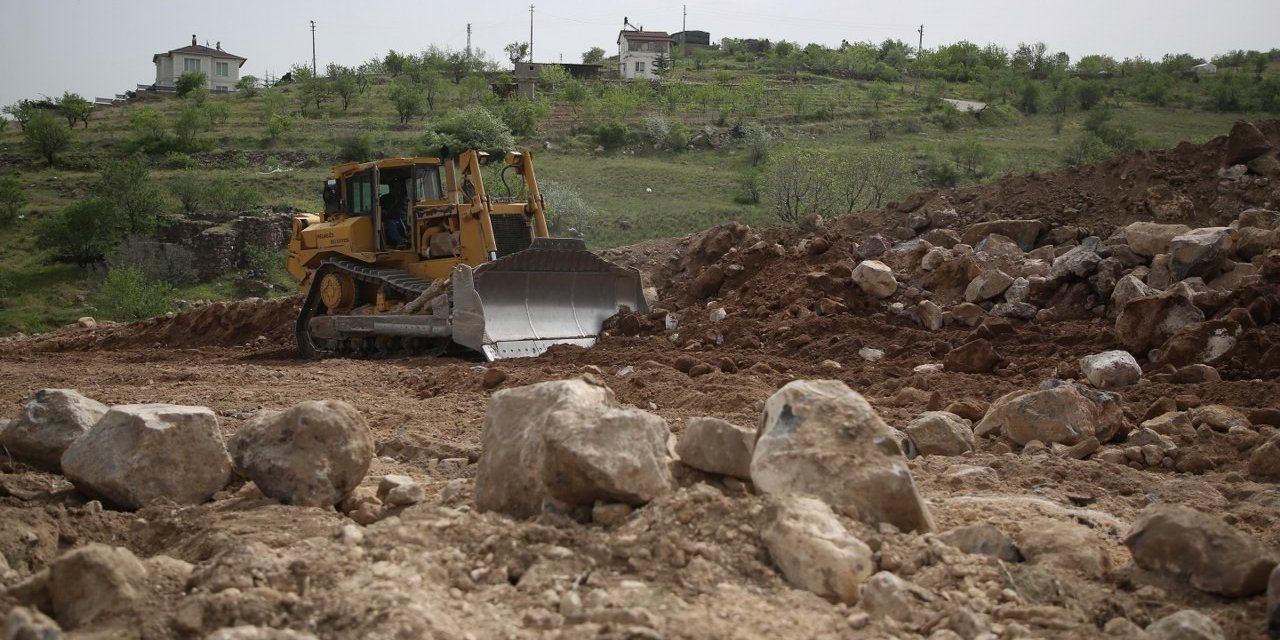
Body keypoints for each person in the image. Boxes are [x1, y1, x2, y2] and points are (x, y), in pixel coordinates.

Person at [379, 180, 409, 248]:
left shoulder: (405, 199)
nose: (397, 189)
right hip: (389, 221)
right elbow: (378, 211)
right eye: (395, 187)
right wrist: (382, 212)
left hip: (403, 221)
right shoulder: (383, 199)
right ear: (390, 188)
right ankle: (400, 241)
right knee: (390, 223)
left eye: (399, 187)